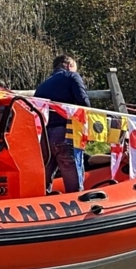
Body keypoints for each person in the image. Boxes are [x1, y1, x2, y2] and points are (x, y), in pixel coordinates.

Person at [34, 55, 91, 193]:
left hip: (45, 137)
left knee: (45, 176)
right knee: (73, 177)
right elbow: (84, 102)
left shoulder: (41, 86)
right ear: (69, 65)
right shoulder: (71, 76)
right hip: (66, 131)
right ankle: (78, 206)